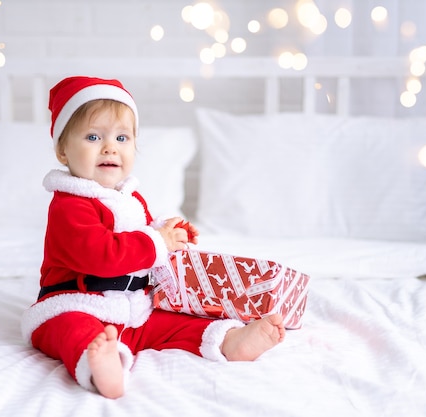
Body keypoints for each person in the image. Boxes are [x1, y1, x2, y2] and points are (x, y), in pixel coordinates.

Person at [20, 76, 285, 399]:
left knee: (175, 323)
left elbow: (145, 234)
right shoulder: (69, 205)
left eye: (122, 137)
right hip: (75, 303)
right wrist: (157, 242)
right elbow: (101, 255)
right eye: (93, 137)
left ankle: (229, 340)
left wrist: (170, 232)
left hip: (132, 311)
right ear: (62, 150)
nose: (110, 148)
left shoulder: (129, 199)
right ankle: (100, 363)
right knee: (72, 331)